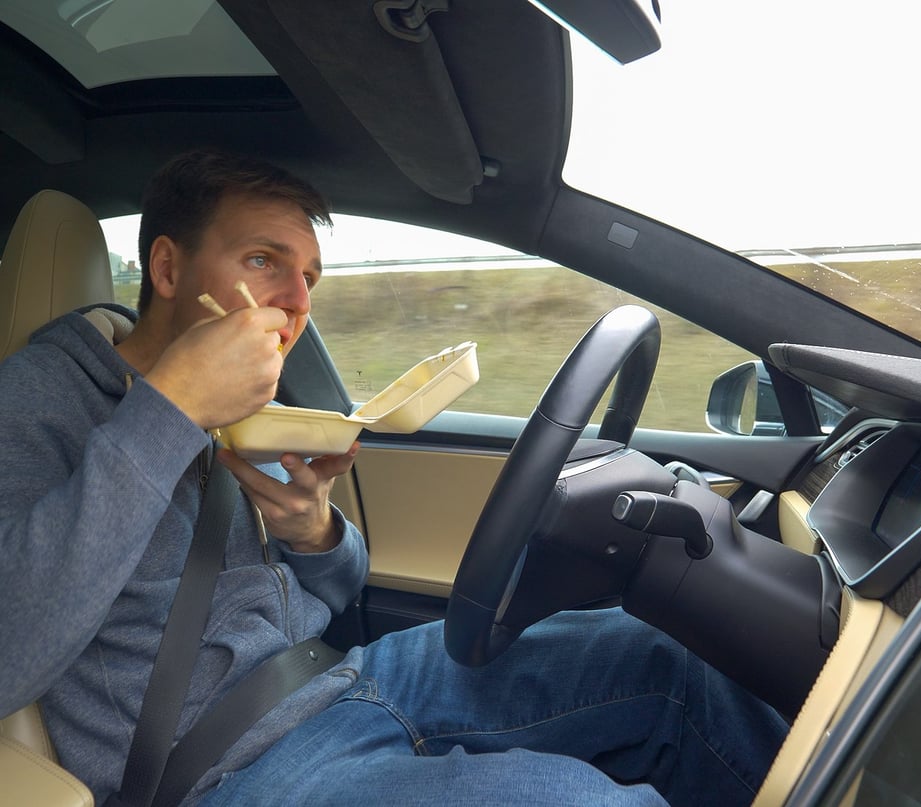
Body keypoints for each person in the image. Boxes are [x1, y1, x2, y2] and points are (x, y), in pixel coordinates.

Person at [0, 150, 788, 806]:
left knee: (668, 654)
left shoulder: (241, 409)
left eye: (309, 274)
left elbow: (336, 591)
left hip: (340, 678)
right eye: (264, 260)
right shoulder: (41, 398)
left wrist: (314, 530)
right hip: (227, 766)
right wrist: (170, 408)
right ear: (167, 268)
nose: (299, 300)